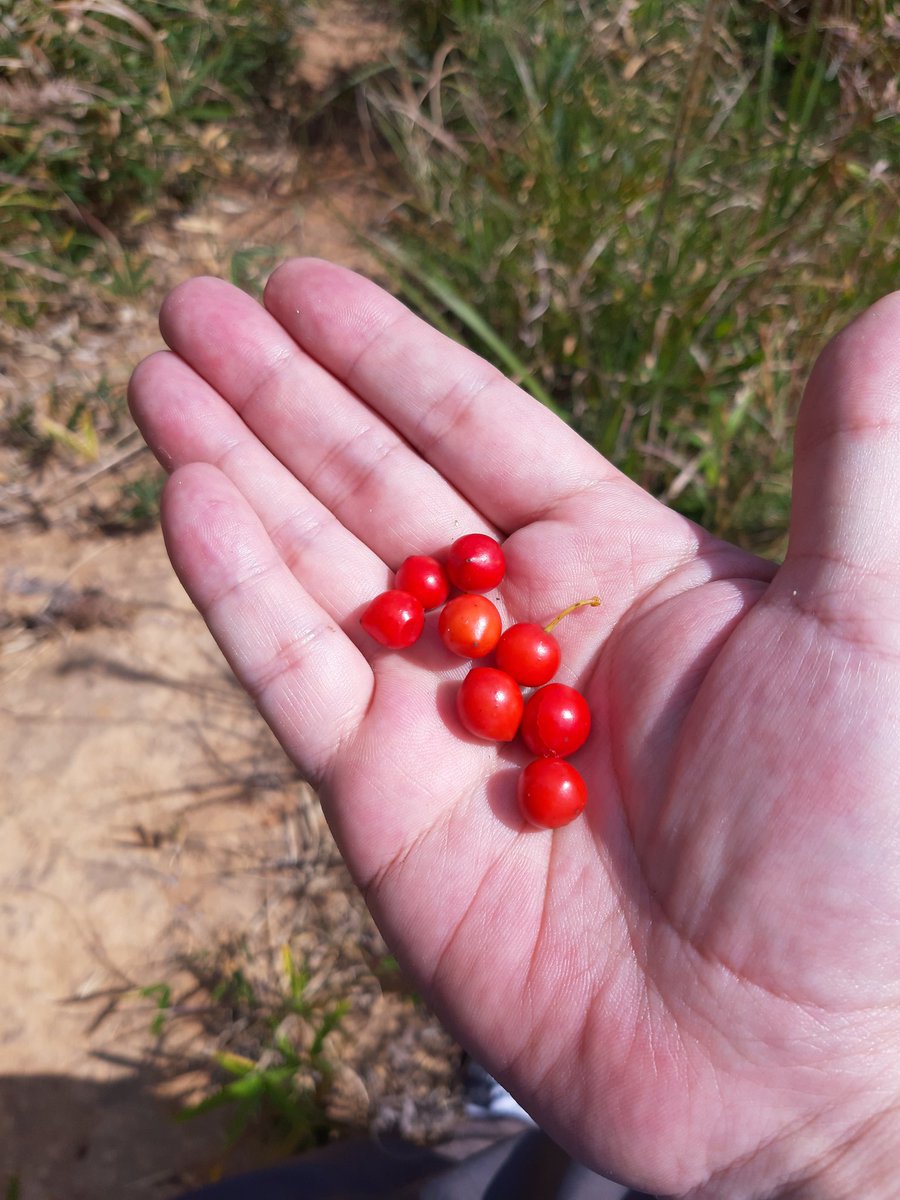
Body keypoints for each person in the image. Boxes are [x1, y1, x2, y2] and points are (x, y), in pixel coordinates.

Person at [129, 259, 900, 1198]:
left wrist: (855, 1129)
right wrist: (850, 1128)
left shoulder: (501, 662)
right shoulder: (484, 644)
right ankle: (506, 1136)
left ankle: (500, 1136)